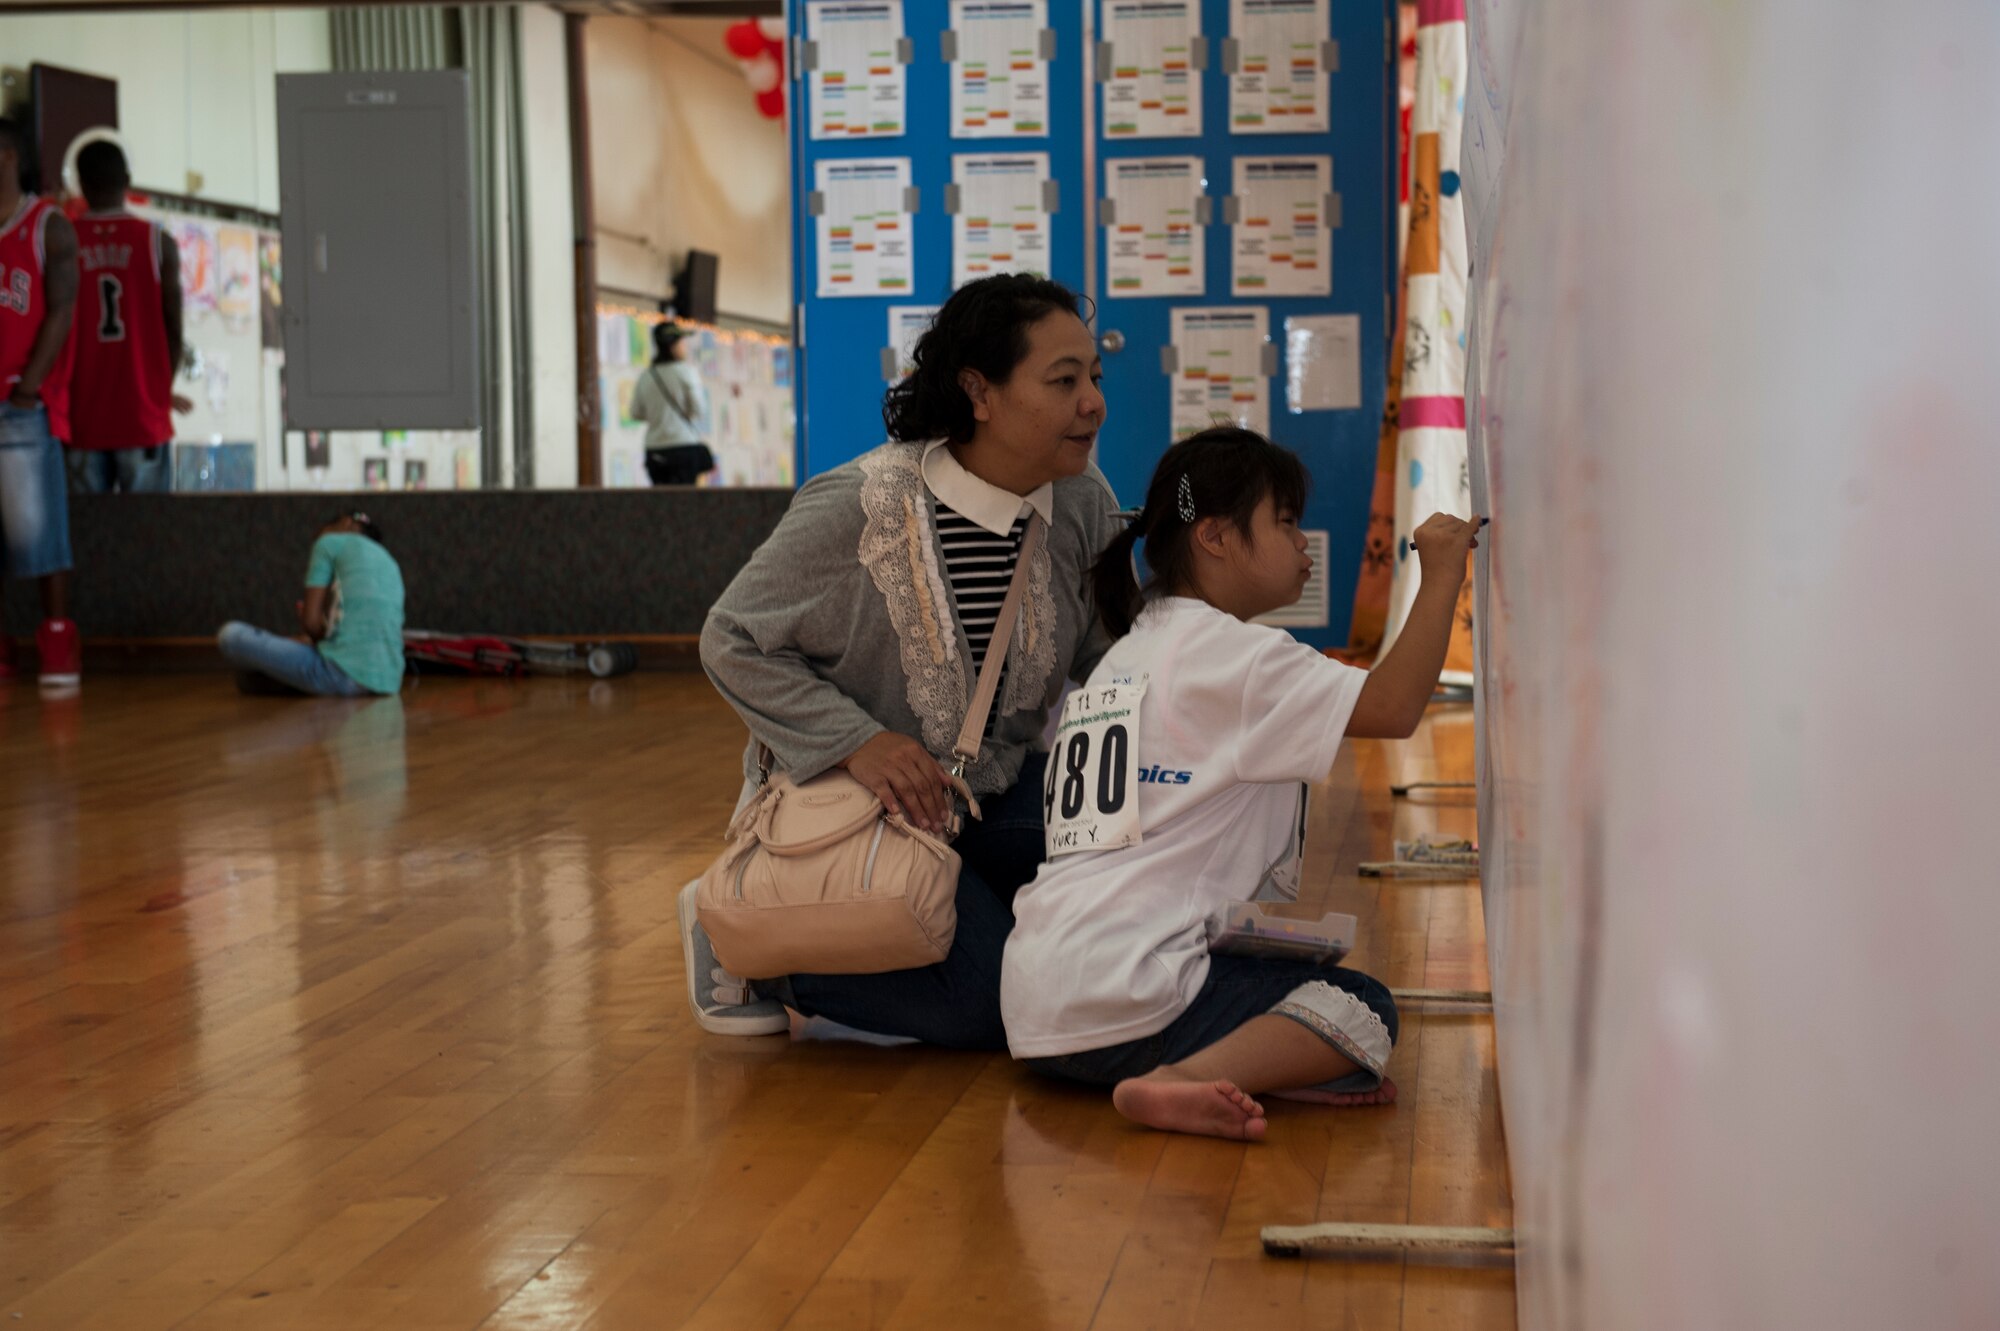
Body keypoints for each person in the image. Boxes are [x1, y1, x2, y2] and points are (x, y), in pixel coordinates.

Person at [1000, 428, 1485, 1141]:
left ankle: (1233, 1066)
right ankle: (1181, 1080)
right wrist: (1441, 572)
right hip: (1131, 1001)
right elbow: (1394, 706)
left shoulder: (1131, 651)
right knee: (1363, 1004)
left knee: (1295, 988)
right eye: (1286, 522)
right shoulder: (1235, 654)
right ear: (1217, 537)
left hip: (1039, 1007)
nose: (1303, 543)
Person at [691, 273, 1122, 1046]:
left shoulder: (1082, 501)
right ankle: (750, 939)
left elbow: (1107, 653)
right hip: (856, 806)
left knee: (1121, 873)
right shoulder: (858, 507)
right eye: (1064, 381)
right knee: (992, 1007)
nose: (1092, 401)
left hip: (986, 792)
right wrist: (859, 741)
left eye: (1094, 377)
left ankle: (953, 910)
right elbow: (731, 637)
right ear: (978, 392)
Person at [0, 117, 81, 687]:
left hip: (19, 402)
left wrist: (30, 385)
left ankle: (56, 639)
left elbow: (62, 310)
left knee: (37, 528)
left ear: (7, 156)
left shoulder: (47, 225)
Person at [63, 141, 183, 494]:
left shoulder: (63, 242)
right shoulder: (158, 242)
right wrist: (160, 390)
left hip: (81, 416)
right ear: (128, 180)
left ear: (80, 185)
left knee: (91, 541)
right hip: (142, 415)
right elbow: (174, 328)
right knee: (148, 538)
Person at [216, 511, 406, 697]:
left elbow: (311, 623)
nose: (317, 539)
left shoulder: (329, 543)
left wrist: (314, 632)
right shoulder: (389, 560)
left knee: (231, 636)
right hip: (388, 682)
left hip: (340, 675)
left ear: (347, 523)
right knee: (251, 678)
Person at [629, 323, 715, 485]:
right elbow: (699, 410)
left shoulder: (646, 376)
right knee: (686, 503)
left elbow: (635, 412)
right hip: (683, 447)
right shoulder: (686, 372)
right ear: (673, 346)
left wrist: (657, 415)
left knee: (661, 504)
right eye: (683, 342)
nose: (685, 347)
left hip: (654, 448)